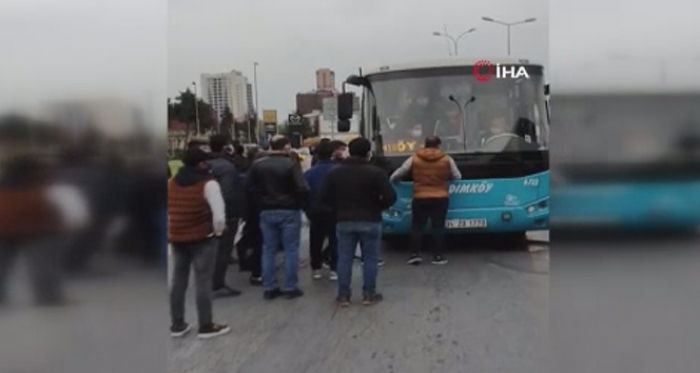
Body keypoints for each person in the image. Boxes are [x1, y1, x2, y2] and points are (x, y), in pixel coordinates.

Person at [0, 156, 89, 307]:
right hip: (42, 229)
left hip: (4, 228)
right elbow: (65, 207)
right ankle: (48, 297)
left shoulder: (4, 186)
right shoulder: (42, 184)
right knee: (44, 265)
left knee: (2, 265)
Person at [320, 137, 396, 307]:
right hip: (370, 219)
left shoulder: (335, 172)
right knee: (369, 258)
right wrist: (379, 206)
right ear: (368, 153)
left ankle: (344, 295)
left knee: (344, 258)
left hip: (344, 220)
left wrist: (337, 209)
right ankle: (369, 294)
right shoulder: (376, 172)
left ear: (350, 151)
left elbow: (324, 197)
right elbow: (391, 196)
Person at [168, 148, 230, 339]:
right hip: (202, 238)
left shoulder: (171, 183)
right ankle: (206, 325)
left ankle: (177, 324)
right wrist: (218, 232)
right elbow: (219, 215)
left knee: (178, 281)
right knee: (203, 281)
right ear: (201, 164)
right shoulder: (208, 184)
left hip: (177, 238)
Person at [245, 135, 309, 300]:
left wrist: (260, 203)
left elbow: (249, 187)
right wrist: (299, 204)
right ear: (286, 146)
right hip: (289, 210)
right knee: (290, 249)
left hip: (266, 210)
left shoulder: (257, 165)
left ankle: (269, 287)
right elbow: (302, 188)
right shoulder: (291, 164)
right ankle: (290, 286)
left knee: (268, 249)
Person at [390, 136, 461, 265]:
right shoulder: (447, 159)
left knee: (417, 226)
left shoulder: (414, 159)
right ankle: (438, 256)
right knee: (438, 227)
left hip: (420, 197)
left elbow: (399, 173)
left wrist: (394, 181)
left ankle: (415, 254)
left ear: (425, 145)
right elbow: (457, 176)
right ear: (438, 145)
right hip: (440, 197)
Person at [206, 134, 243, 298]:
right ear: (226, 147)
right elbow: (227, 193)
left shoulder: (205, 164)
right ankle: (217, 284)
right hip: (225, 214)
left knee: (209, 249)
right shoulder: (227, 167)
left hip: (204, 212)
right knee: (223, 250)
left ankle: (207, 281)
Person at [303, 141, 338, 281]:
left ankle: (316, 268)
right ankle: (334, 268)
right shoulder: (338, 169)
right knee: (335, 239)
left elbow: (304, 192)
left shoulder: (309, 173)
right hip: (335, 210)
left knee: (316, 239)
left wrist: (306, 209)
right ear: (332, 153)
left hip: (315, 210)